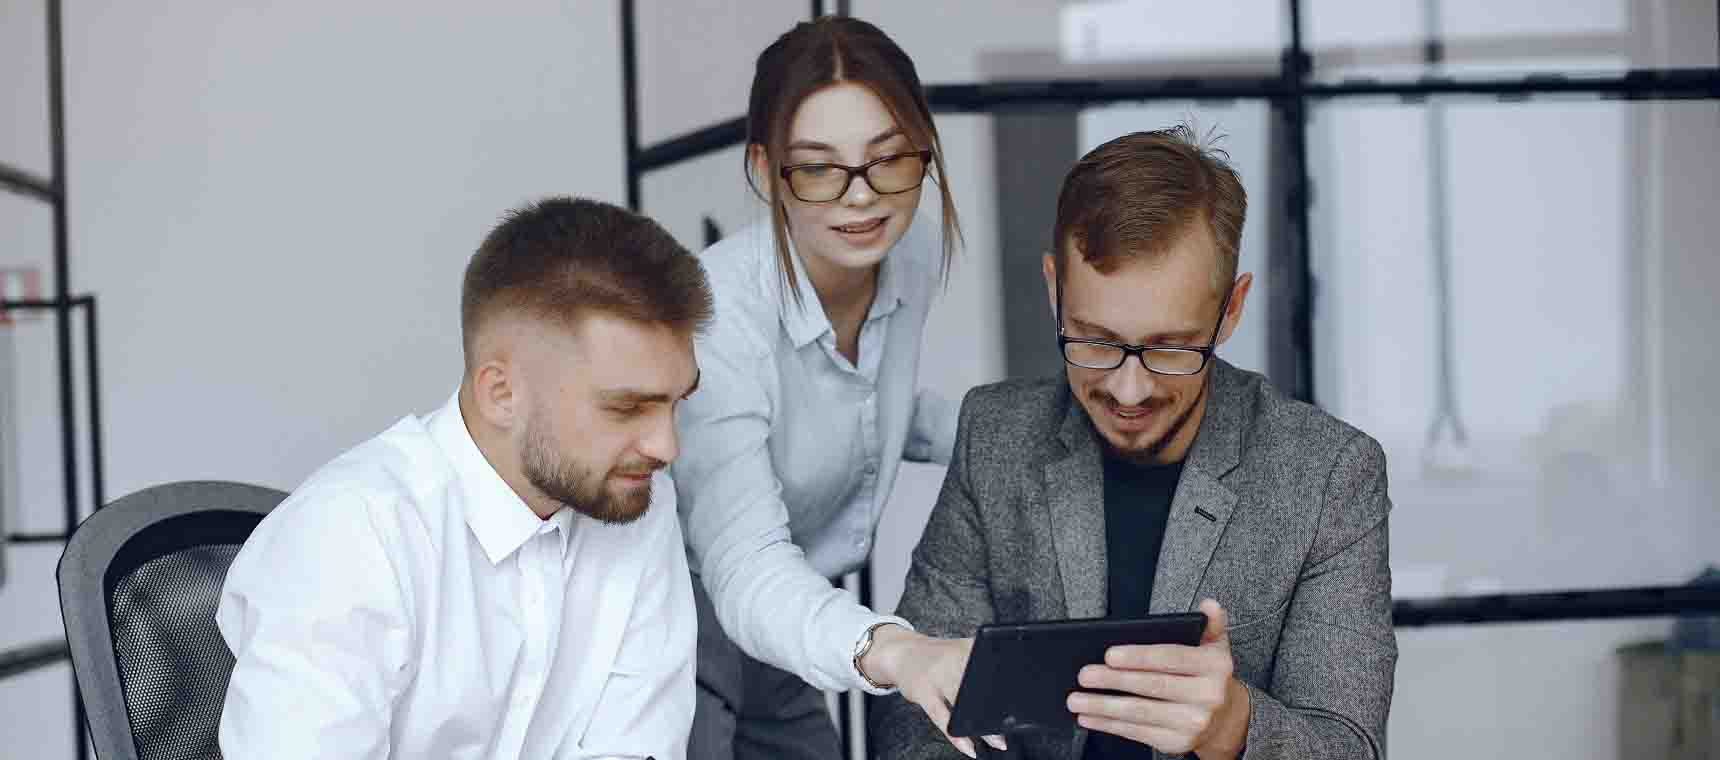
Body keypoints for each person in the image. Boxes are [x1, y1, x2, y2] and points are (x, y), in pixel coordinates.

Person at [871, 127, 1397, 759]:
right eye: (1095, 341)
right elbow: (911, 724)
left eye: (1170, 348)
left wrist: (1232, 726)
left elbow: (1349, 747)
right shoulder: (995, 436)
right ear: (1054, 290)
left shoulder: (1327, 474)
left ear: (1231, 309)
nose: (1128, 389)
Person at [217, 197, 713, 759]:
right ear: (501, 394)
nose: (666, 447)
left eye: (678, 402)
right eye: (626, 408)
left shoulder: (635, 501)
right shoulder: (350, 536)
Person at [670, 15, 998, 760]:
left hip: (793, 617)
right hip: (684, 623)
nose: (861, 196)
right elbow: (743, 562)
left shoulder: (906, 250)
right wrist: (897, 650)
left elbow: (866, 405)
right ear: (765, 169)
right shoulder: (719, 317)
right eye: (819, 168)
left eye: (888, 158)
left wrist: (1020, 428)